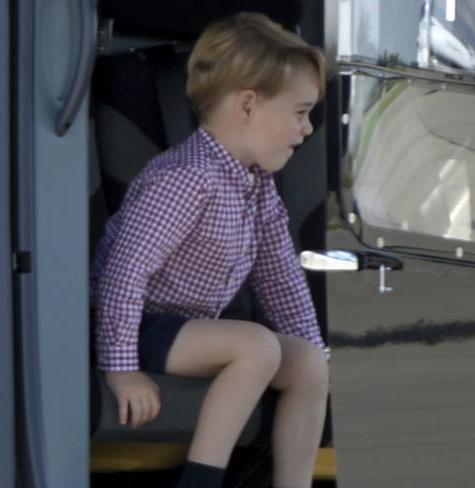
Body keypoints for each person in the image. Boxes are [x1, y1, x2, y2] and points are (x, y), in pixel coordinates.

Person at [90, 11, 329, 488]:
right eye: (300, 113)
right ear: (247, 105)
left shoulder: (257, 186)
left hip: (186, 329)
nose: (307, 129)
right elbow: (124, 274)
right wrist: (121, 370)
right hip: (134, 323)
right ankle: (200, 481)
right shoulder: (185, 179)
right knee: (255, 346)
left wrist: (316, 347)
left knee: (306, 362)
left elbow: (280, 280)